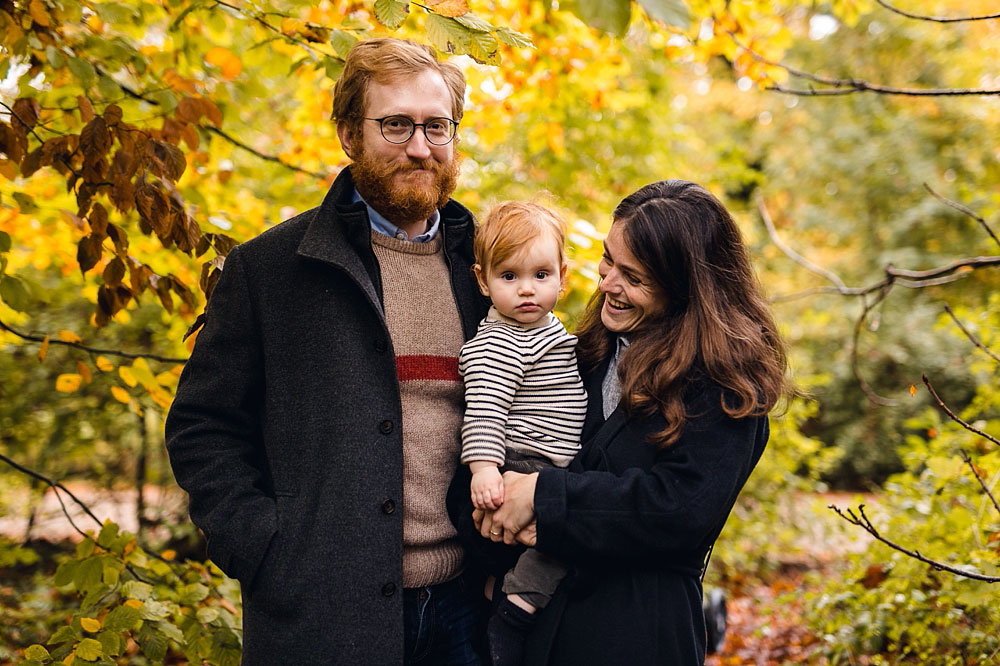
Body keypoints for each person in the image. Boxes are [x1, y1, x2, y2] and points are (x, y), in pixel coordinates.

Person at [165, 38, 491, 665]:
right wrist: (263, 551)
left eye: (436, 126)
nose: (419, 147)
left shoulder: (490, 268)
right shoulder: (268, 271)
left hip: (469, 611)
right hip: (320, 613)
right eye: (394, 125)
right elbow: (204, 428)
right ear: (348, 134)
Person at [472, 180, 789, 664]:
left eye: (633, 277)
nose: (607, 284)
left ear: (686, 288)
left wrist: (543, 497)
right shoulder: (579, 351)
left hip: (637, 633)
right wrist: (489, 506)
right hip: (541, 630)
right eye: (607, 260)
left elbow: (680, 508)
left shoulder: (724, 384)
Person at [457, 201, 588, 666]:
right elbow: (485, 408)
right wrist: (485, 467)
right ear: (482, 280)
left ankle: (498, 592)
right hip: (520, 460)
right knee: (561, 543)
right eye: (509, 276)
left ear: (562, 275)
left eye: (541, 275)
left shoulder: (549, 332)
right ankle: (514, 614)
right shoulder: (499, 341)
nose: (526, 290)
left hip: (548, 464)